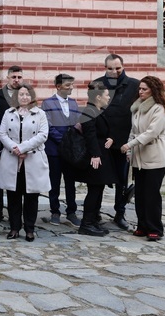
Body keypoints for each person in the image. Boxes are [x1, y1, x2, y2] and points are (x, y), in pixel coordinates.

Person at [120, 76, 165, 241]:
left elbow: (151, 133)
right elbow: (133, 131)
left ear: (153, 90)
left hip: (155, 158)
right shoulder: (137, 108)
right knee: (140, 194)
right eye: (139, 89)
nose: (140, 92)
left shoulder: (159, 109)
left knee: (151, 195)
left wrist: (129, 145)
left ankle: (155, 228)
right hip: (138, 159)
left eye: (144, 89)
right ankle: (142, 226)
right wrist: (129, 151)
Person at [0, 84, 49, 242]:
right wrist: (15, 149)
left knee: (31, 197)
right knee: (13, 196)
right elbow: (2, 133)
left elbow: (43, 135)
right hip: (12, 159)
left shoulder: (40, 113)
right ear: (16, 97)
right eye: (21, 94)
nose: (24, 97)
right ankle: (14, 227)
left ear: (31, 96)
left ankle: (29, 228)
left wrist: (23, 148)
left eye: (27, 94)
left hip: (32, 159)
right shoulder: (8, 113)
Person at [96, 53, 140, 230]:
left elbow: (139, 112)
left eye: (118, 68)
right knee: (97, 179)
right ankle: (94, 212)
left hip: (122, 142)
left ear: (123, 66)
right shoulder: (97, 84)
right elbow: (94, 110)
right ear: (105, 68)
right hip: (102, 141)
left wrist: (130, 143)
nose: (114, 72)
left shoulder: (135, 85)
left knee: (121, 181)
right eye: (110, 68)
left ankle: (119, 213)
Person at [73, 79, 115, 237]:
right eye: (106, 95)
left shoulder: (98, 110)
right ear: (98, 97)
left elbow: (103, 131)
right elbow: (90, 135)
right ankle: (87, 223)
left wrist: (111, 138)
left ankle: (94, 221)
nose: (108, 97)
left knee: (99, 190)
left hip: (102, 155)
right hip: (95, 158)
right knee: (94, 191)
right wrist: (96, 155)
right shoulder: (89, 112)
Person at [42, 73, 81, 226]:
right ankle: (55, 211)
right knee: (54, 181)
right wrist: (63, 141)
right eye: (67, 85)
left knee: (71, 182)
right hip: (54, 149)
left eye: (72, 85)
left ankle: (71, 211)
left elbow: (76, 124)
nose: (71, 88)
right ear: (58, 87)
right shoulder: (47, 103)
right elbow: (48, 126)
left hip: (70, 149)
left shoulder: (74, 103)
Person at [0, 65, 24, 223]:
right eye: (14, 77)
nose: (16, 80)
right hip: (0, 141)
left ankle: (14, 211)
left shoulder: (25, 94)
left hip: (19, 143)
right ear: (8, 78)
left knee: (16, 178)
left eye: (19, 77)